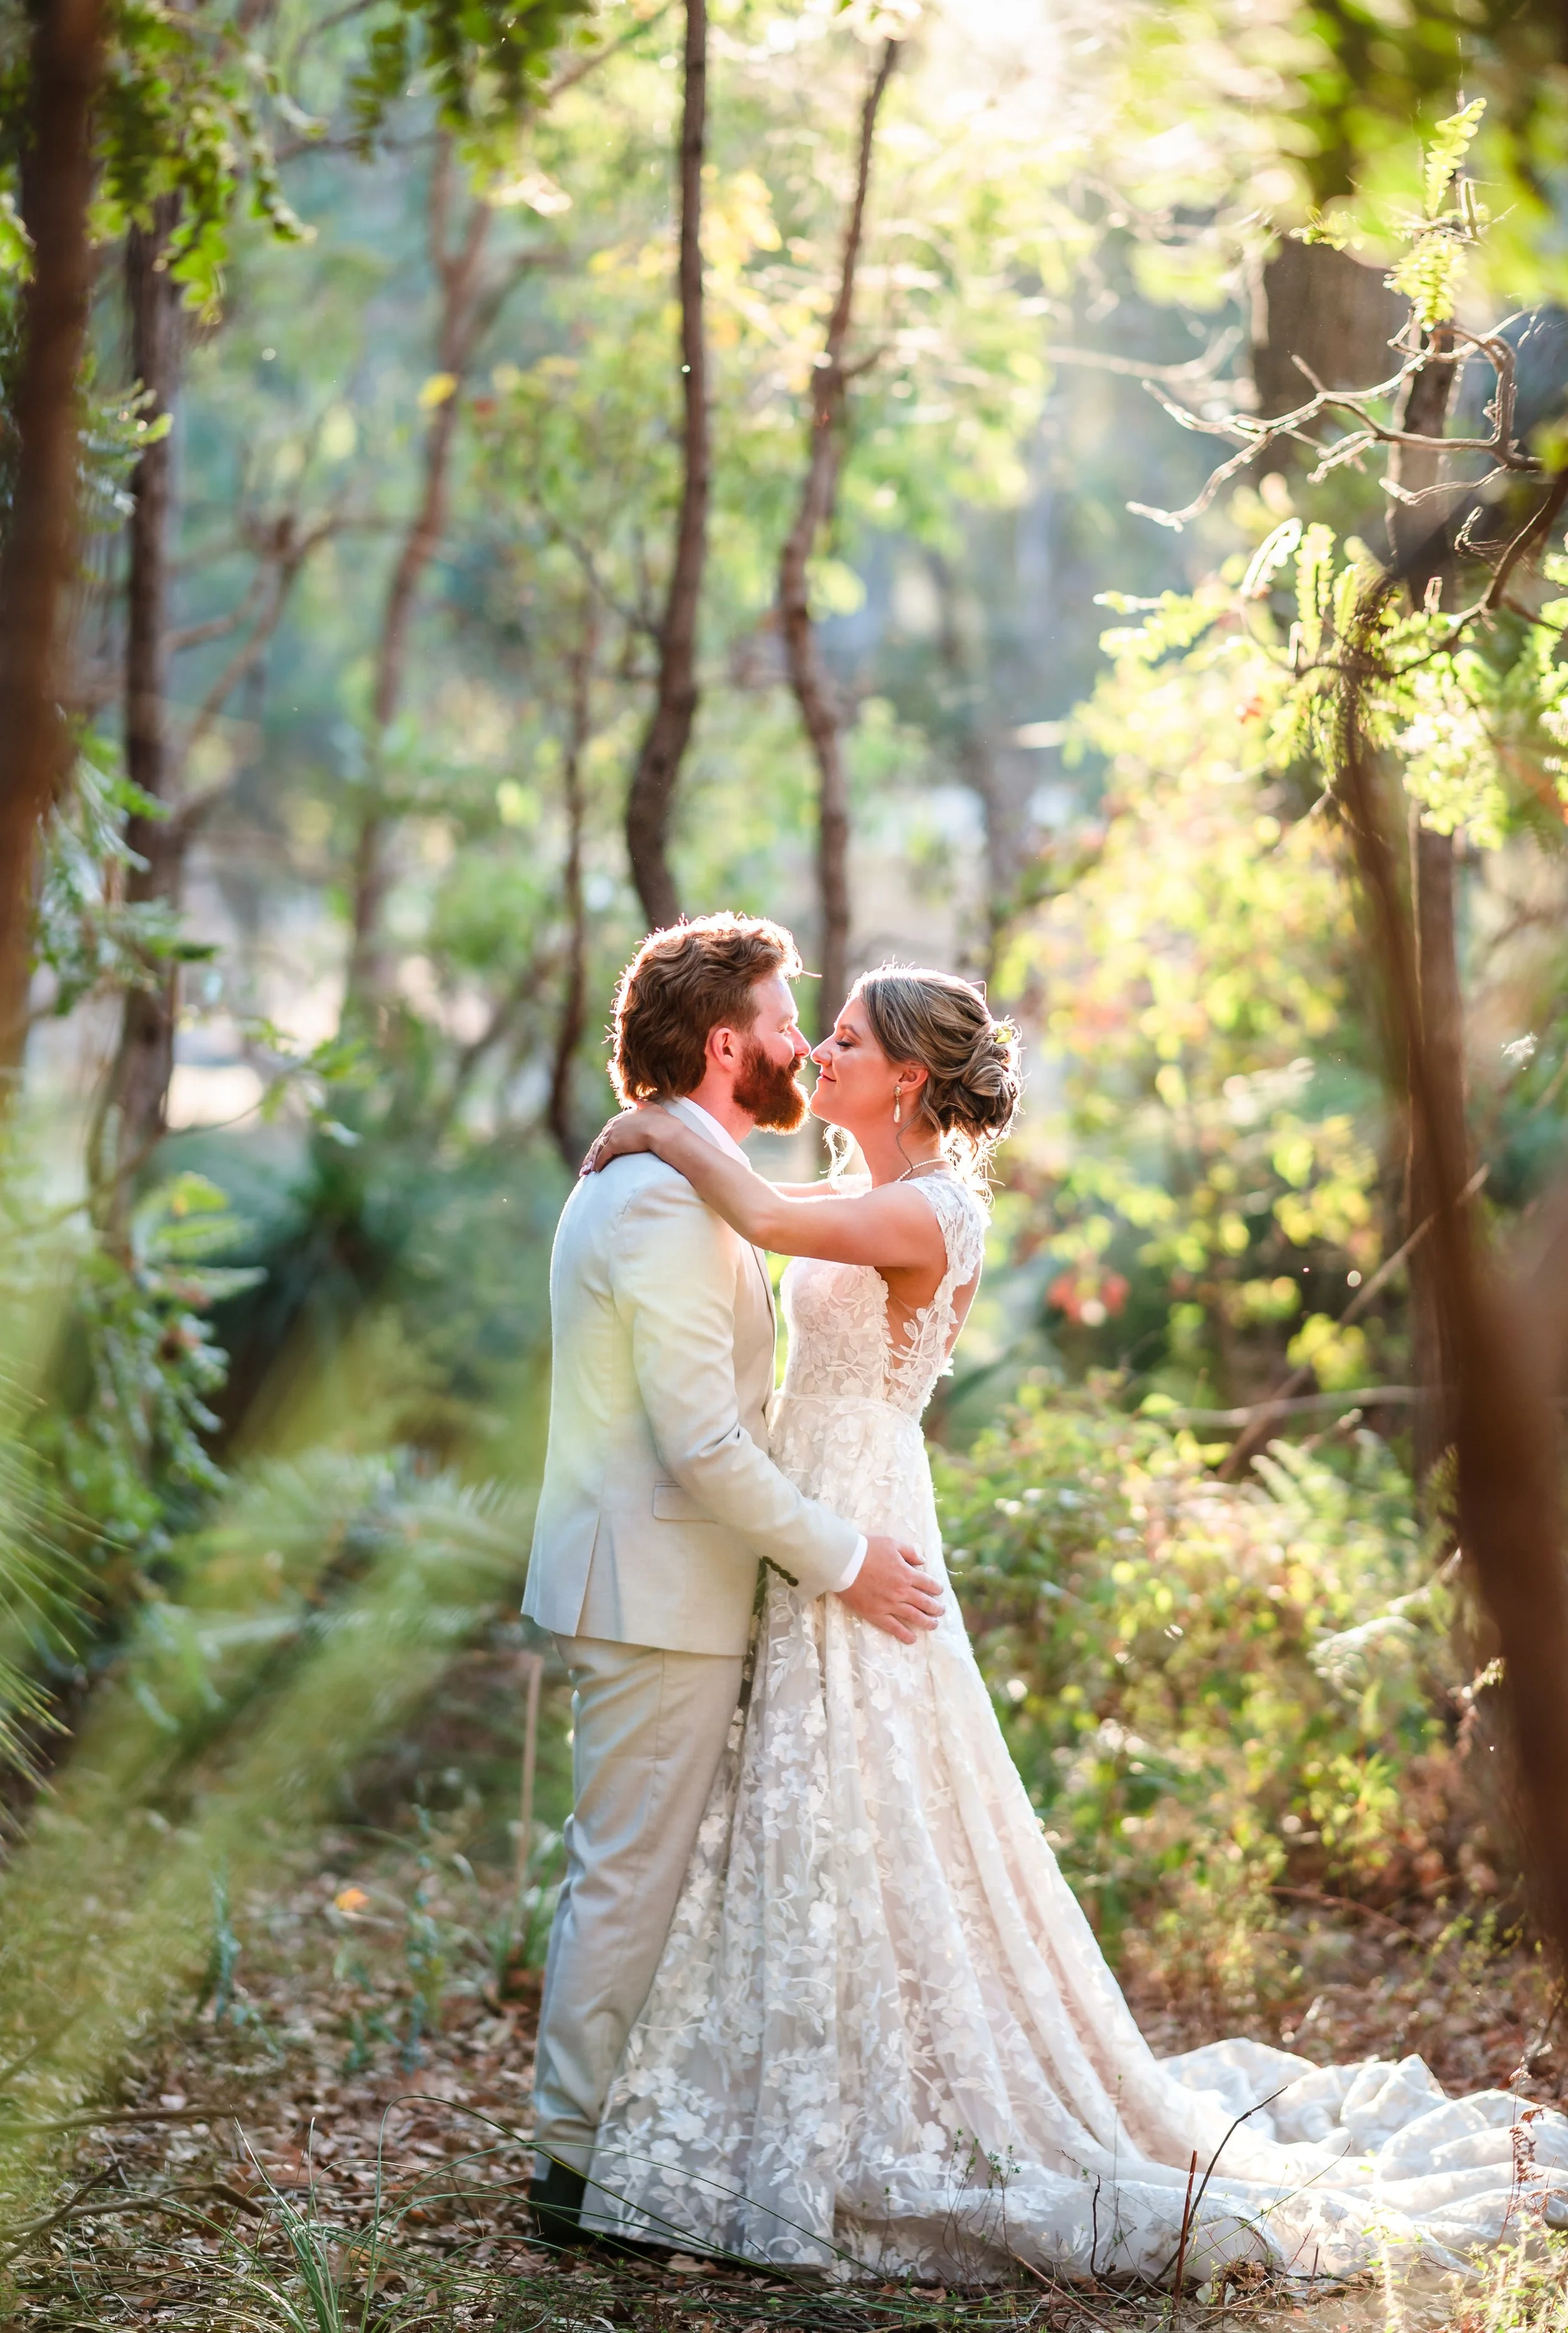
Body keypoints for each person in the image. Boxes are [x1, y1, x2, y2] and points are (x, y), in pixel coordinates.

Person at [575, 958, 1568, 2287]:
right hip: (817, 1507)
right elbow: (772, 1209)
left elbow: (751, 1210)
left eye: (846, 1038)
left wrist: (651, 1120)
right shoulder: (873, 1193)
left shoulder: (925, 1212)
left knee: (873, 1787)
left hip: (861, 1510)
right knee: (822, 1811)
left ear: (907, 1078)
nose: (817, 1051)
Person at [522, 914, 942, 2245]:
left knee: (652, 1873)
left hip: (682, 1587)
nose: (797, 1048)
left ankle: (622, 2136)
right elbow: (702, 1442)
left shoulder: (680, 1177)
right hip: (650, 1589)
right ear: (724, 1043)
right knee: (631, 1876)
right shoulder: (653, 1199)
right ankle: (572, 2165)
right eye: (779, 1024)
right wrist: (839, 1557)